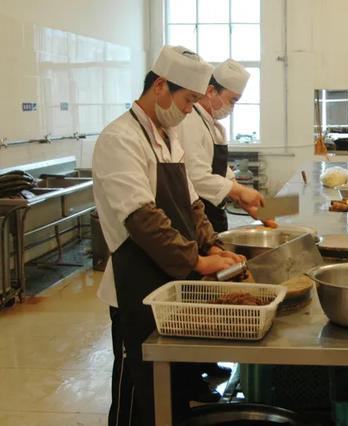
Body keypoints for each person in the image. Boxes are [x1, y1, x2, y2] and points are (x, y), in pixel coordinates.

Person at [93, 46, 245, 426]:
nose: (190, 110)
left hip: (169, 281)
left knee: (171, 385)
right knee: (138, 389)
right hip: (135, 284)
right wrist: (196, 260)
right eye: (188, 100)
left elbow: (191, 204)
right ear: (160, 85)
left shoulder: (168, 136)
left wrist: (213, 244)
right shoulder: (120, 139)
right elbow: (143, 219)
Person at [177, 58, 275, 231]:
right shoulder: (190, 121)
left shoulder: (216, 127)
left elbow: (223, 172)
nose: (232, 107)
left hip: (215, 212)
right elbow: (196, 177)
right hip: (195, 216)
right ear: (210, 91)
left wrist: (249, 206)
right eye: (232, 100)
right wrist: (240, 192)